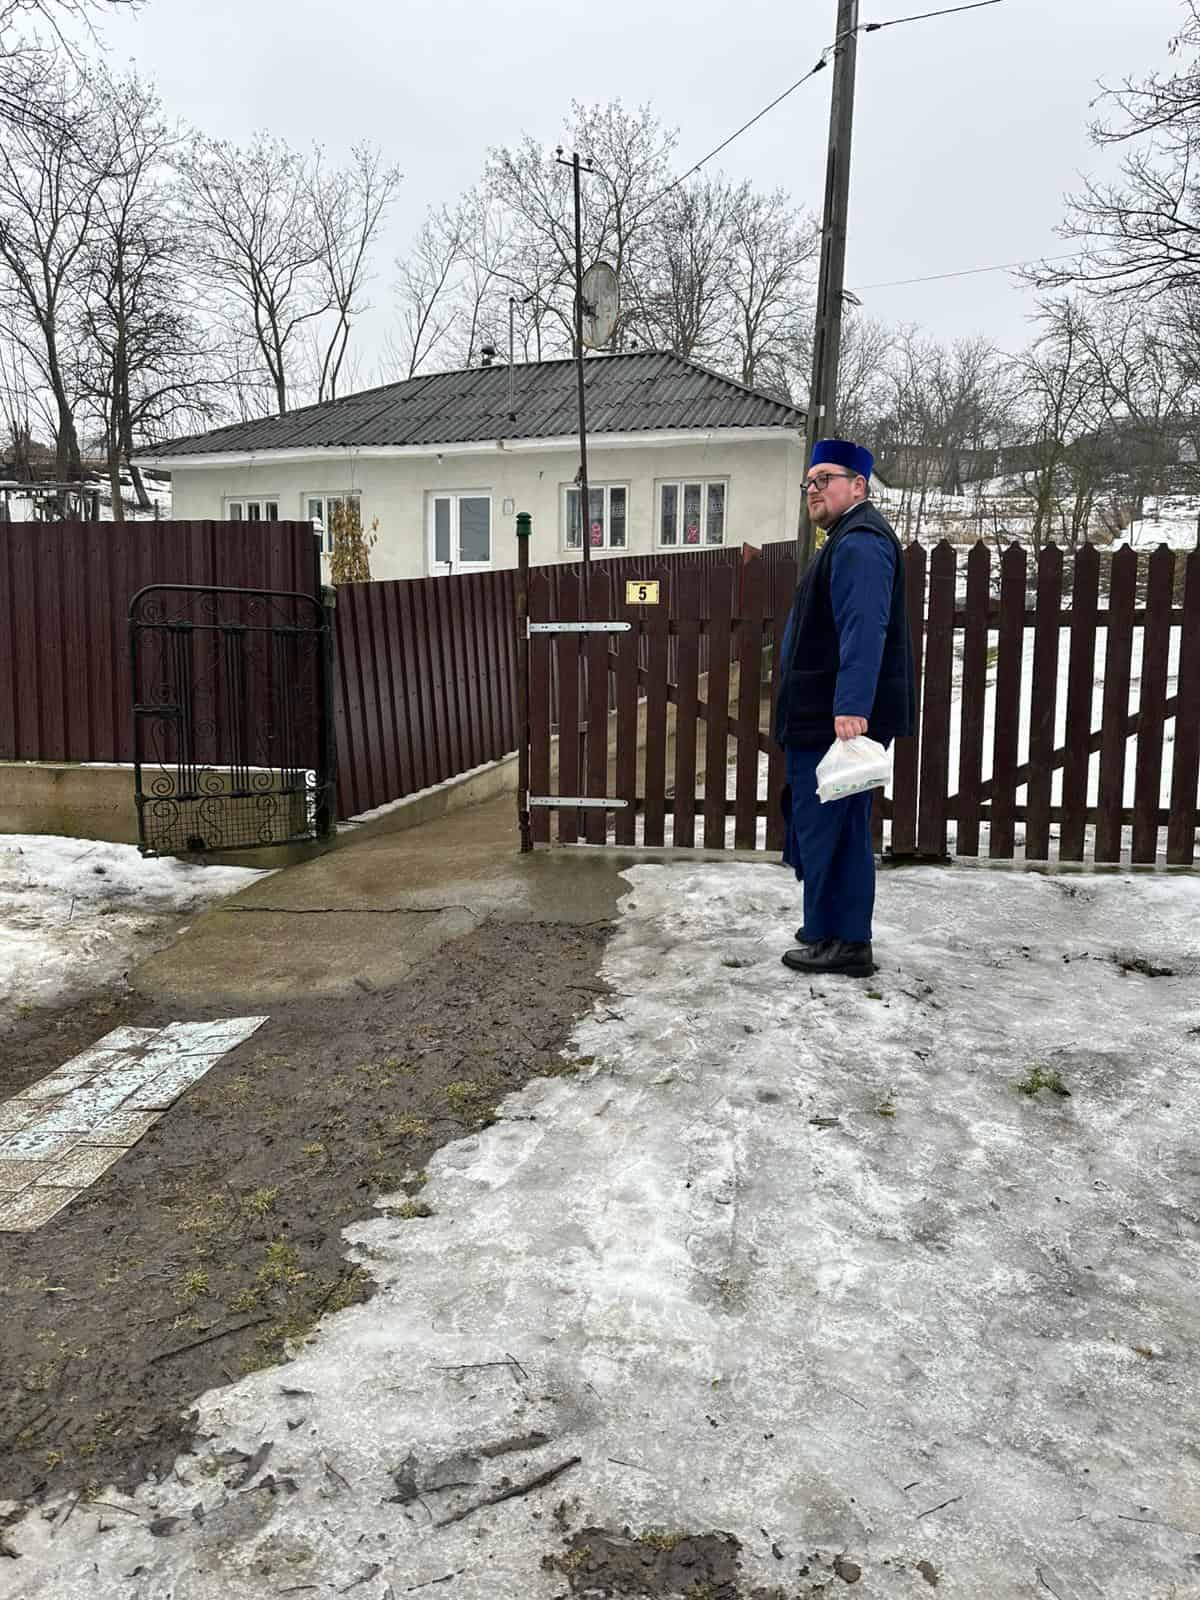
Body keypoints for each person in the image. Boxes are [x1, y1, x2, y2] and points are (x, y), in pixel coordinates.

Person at [774, 439, 915, 977]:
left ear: (858, 485)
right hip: (822, 713)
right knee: (822, 824)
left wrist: (853, 705)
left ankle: (847, 941)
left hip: (836, 720)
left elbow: (864, 627)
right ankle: (826, 926)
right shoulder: (844, 538)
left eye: (825, 479)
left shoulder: (859, 543)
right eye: (809, 482)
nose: (813, 490)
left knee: (836, 829)